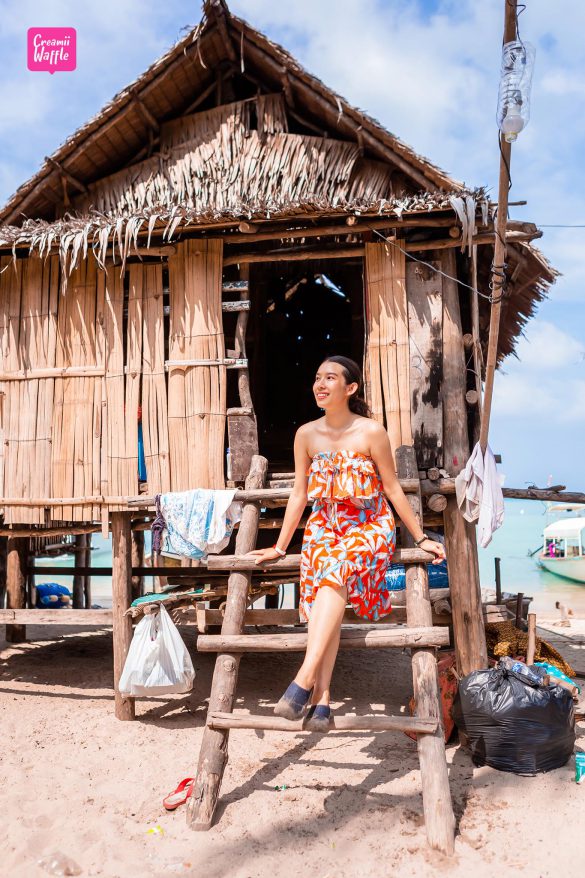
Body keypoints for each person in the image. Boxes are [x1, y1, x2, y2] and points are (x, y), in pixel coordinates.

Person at [246, 355, 446, 731]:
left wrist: (420, 536)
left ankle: (304, 680)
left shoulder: (371, 432)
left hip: (368, 524)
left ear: (350, 388)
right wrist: (279, 546)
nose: (320, 385)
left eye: (330, 378)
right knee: (325, 591)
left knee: (333, 571)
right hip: (324, 525)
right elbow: (299, 495)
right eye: (317, 378)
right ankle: (321, 702)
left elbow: (390, 487)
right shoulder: (305, 434)